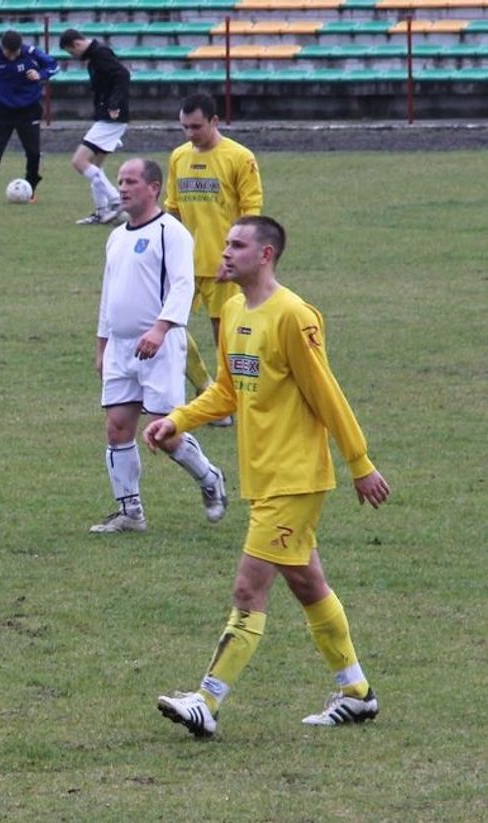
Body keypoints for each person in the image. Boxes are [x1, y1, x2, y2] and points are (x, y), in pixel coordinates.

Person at [145, 216, 390, 738]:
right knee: (308, 584)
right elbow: (228, 392)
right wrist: (179, 418)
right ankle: (356, 693)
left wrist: (359, 463)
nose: (225, 252)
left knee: (247, 587)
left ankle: (207, 701)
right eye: (226, 243)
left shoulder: (293, 316)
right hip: (264, 478)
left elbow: (327, 394)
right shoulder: (233, 310)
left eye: (238, 245)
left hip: (295, 479)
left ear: (266, 255)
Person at [90, 158, 227, 534]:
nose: (122, 187)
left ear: (153, 188)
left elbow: (183, 285)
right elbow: (108, 295)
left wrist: (160, 328)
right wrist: (102, 345)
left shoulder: (171, 232)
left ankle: (210, 478)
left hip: (160, 345)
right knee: (117, 428)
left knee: (164, 431)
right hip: (120, 347)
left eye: (131, 181)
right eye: (120, 181)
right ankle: (131, 513)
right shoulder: (117, 236)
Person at [166, 92, 264, 426]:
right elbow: (173, 210)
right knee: (166, 327)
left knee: (225, 338)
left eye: (196, 127)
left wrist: (234, 256)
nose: (190, 134)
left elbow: (252, 214)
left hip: (225, 266)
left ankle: (228, 403)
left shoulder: (240, 158)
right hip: (184, 266)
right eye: (184, 127)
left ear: (214, 122)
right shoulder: (178, 157)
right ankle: (205, 387)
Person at [0, 28, 59, 205]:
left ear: (20, 48)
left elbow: (54, 66)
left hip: (29, 109)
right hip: (3, 110)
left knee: (33, 153)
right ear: (2, 48)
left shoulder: (31, 53)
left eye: (15, 53)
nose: (11, 56)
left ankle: (30, 190)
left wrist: (41, 74)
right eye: (8, 53)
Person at [59, 28, 131, 226]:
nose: (72, 56)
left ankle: (116, 200)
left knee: (79, 161)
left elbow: (123, 75)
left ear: (77, 44)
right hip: (106, 117)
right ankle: (102, 212)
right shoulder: (94, 55)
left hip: (111, 118)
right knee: (95, 166)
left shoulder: (100, 54)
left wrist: (114, 103)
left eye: (71, 52)